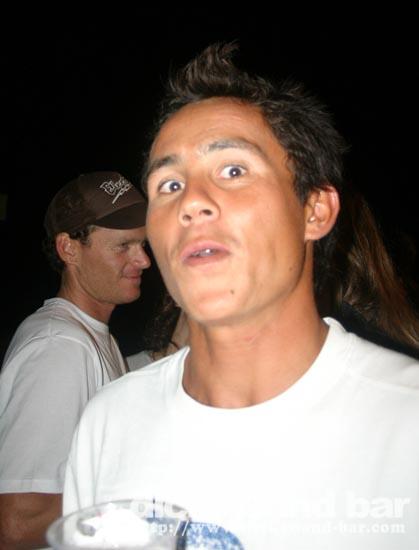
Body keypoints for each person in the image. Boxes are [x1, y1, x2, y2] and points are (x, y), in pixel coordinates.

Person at [63, 45, 419, 549]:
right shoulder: (108, 423)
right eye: (169, 184)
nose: (191, 202)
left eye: (233, 170)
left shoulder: (405, 423)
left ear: (315, 210)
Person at [0, 171, 150, 549]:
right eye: (124, 246)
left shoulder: (92, 337)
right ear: (68, 249)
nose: (144, 260)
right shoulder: (60, 348)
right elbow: (16, 525)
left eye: (143, 244)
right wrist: (139, 491)